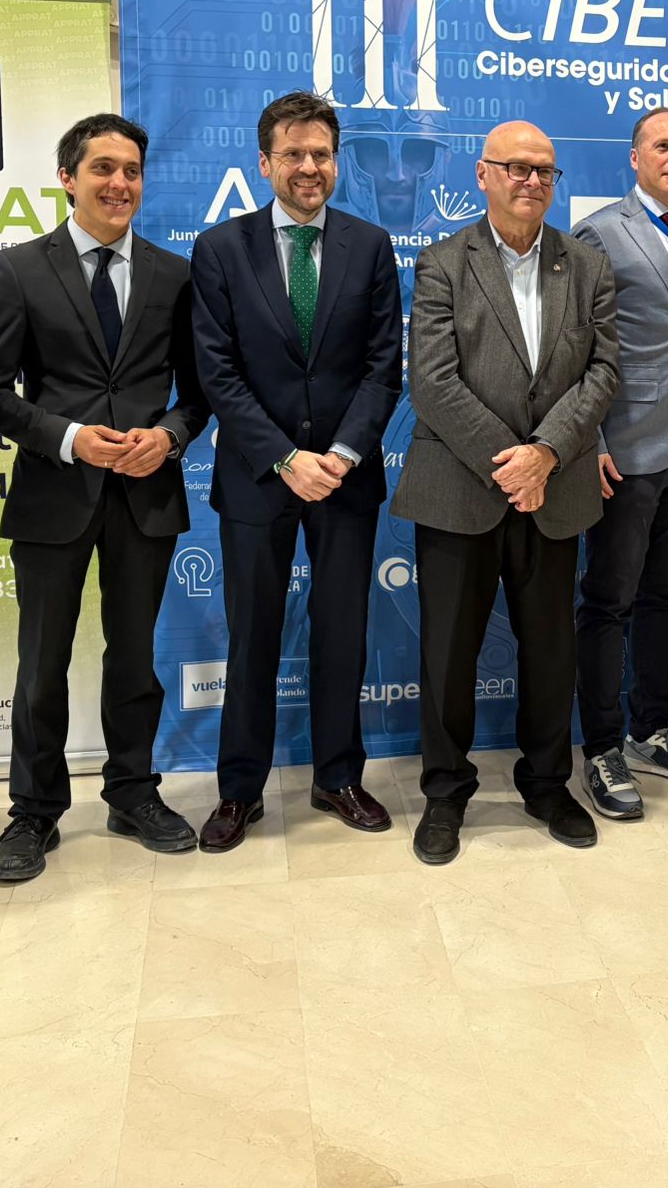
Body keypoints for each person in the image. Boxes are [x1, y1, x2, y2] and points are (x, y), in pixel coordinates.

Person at [0, 114, 210, 881]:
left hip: (146, 496)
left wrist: (168, 437)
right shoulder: (19, 269)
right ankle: (33, 813)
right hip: (53, 493)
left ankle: (132, 793)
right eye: (103, 168)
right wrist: (69, 438)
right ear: (68, 178)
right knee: (43, 663)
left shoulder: (175, 276)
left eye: (132, 170)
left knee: (135, 658)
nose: (120, 183)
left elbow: (200, 394)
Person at [391, 120, 619, 864]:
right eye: (516, 167)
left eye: (544, 170)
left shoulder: (588, 265)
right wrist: (511, 463)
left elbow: (603, 373)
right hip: (460, 490)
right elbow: (432, 381)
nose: (531, 181)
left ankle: (547, 784)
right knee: (447, 656)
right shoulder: (442, 262)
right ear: (484, 175)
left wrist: (546, 454)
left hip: (555, 491)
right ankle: (445, 792)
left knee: (551, 653)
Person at [189, 92, 403, 849]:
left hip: (345, 478)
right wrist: (284, 458)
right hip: (258, 475)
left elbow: (383, 366)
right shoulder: (221, 248)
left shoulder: (370, 245)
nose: (309, 167)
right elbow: (216, 371)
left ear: (335, 163)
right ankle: (239, 791)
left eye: (321, 154)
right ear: (264, 163)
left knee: (343, 632)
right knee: (253, 634)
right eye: (293, 154)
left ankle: (338, 777)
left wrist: (338, 455)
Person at [571, 108, 668, 820]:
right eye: (662, 145)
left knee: (666, 594)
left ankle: (650, 729)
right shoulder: (601, 232)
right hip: (626, 446)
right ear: (634, 158)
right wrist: (592, 443)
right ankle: (602, 747)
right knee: (609, 601)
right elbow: (578, 346)